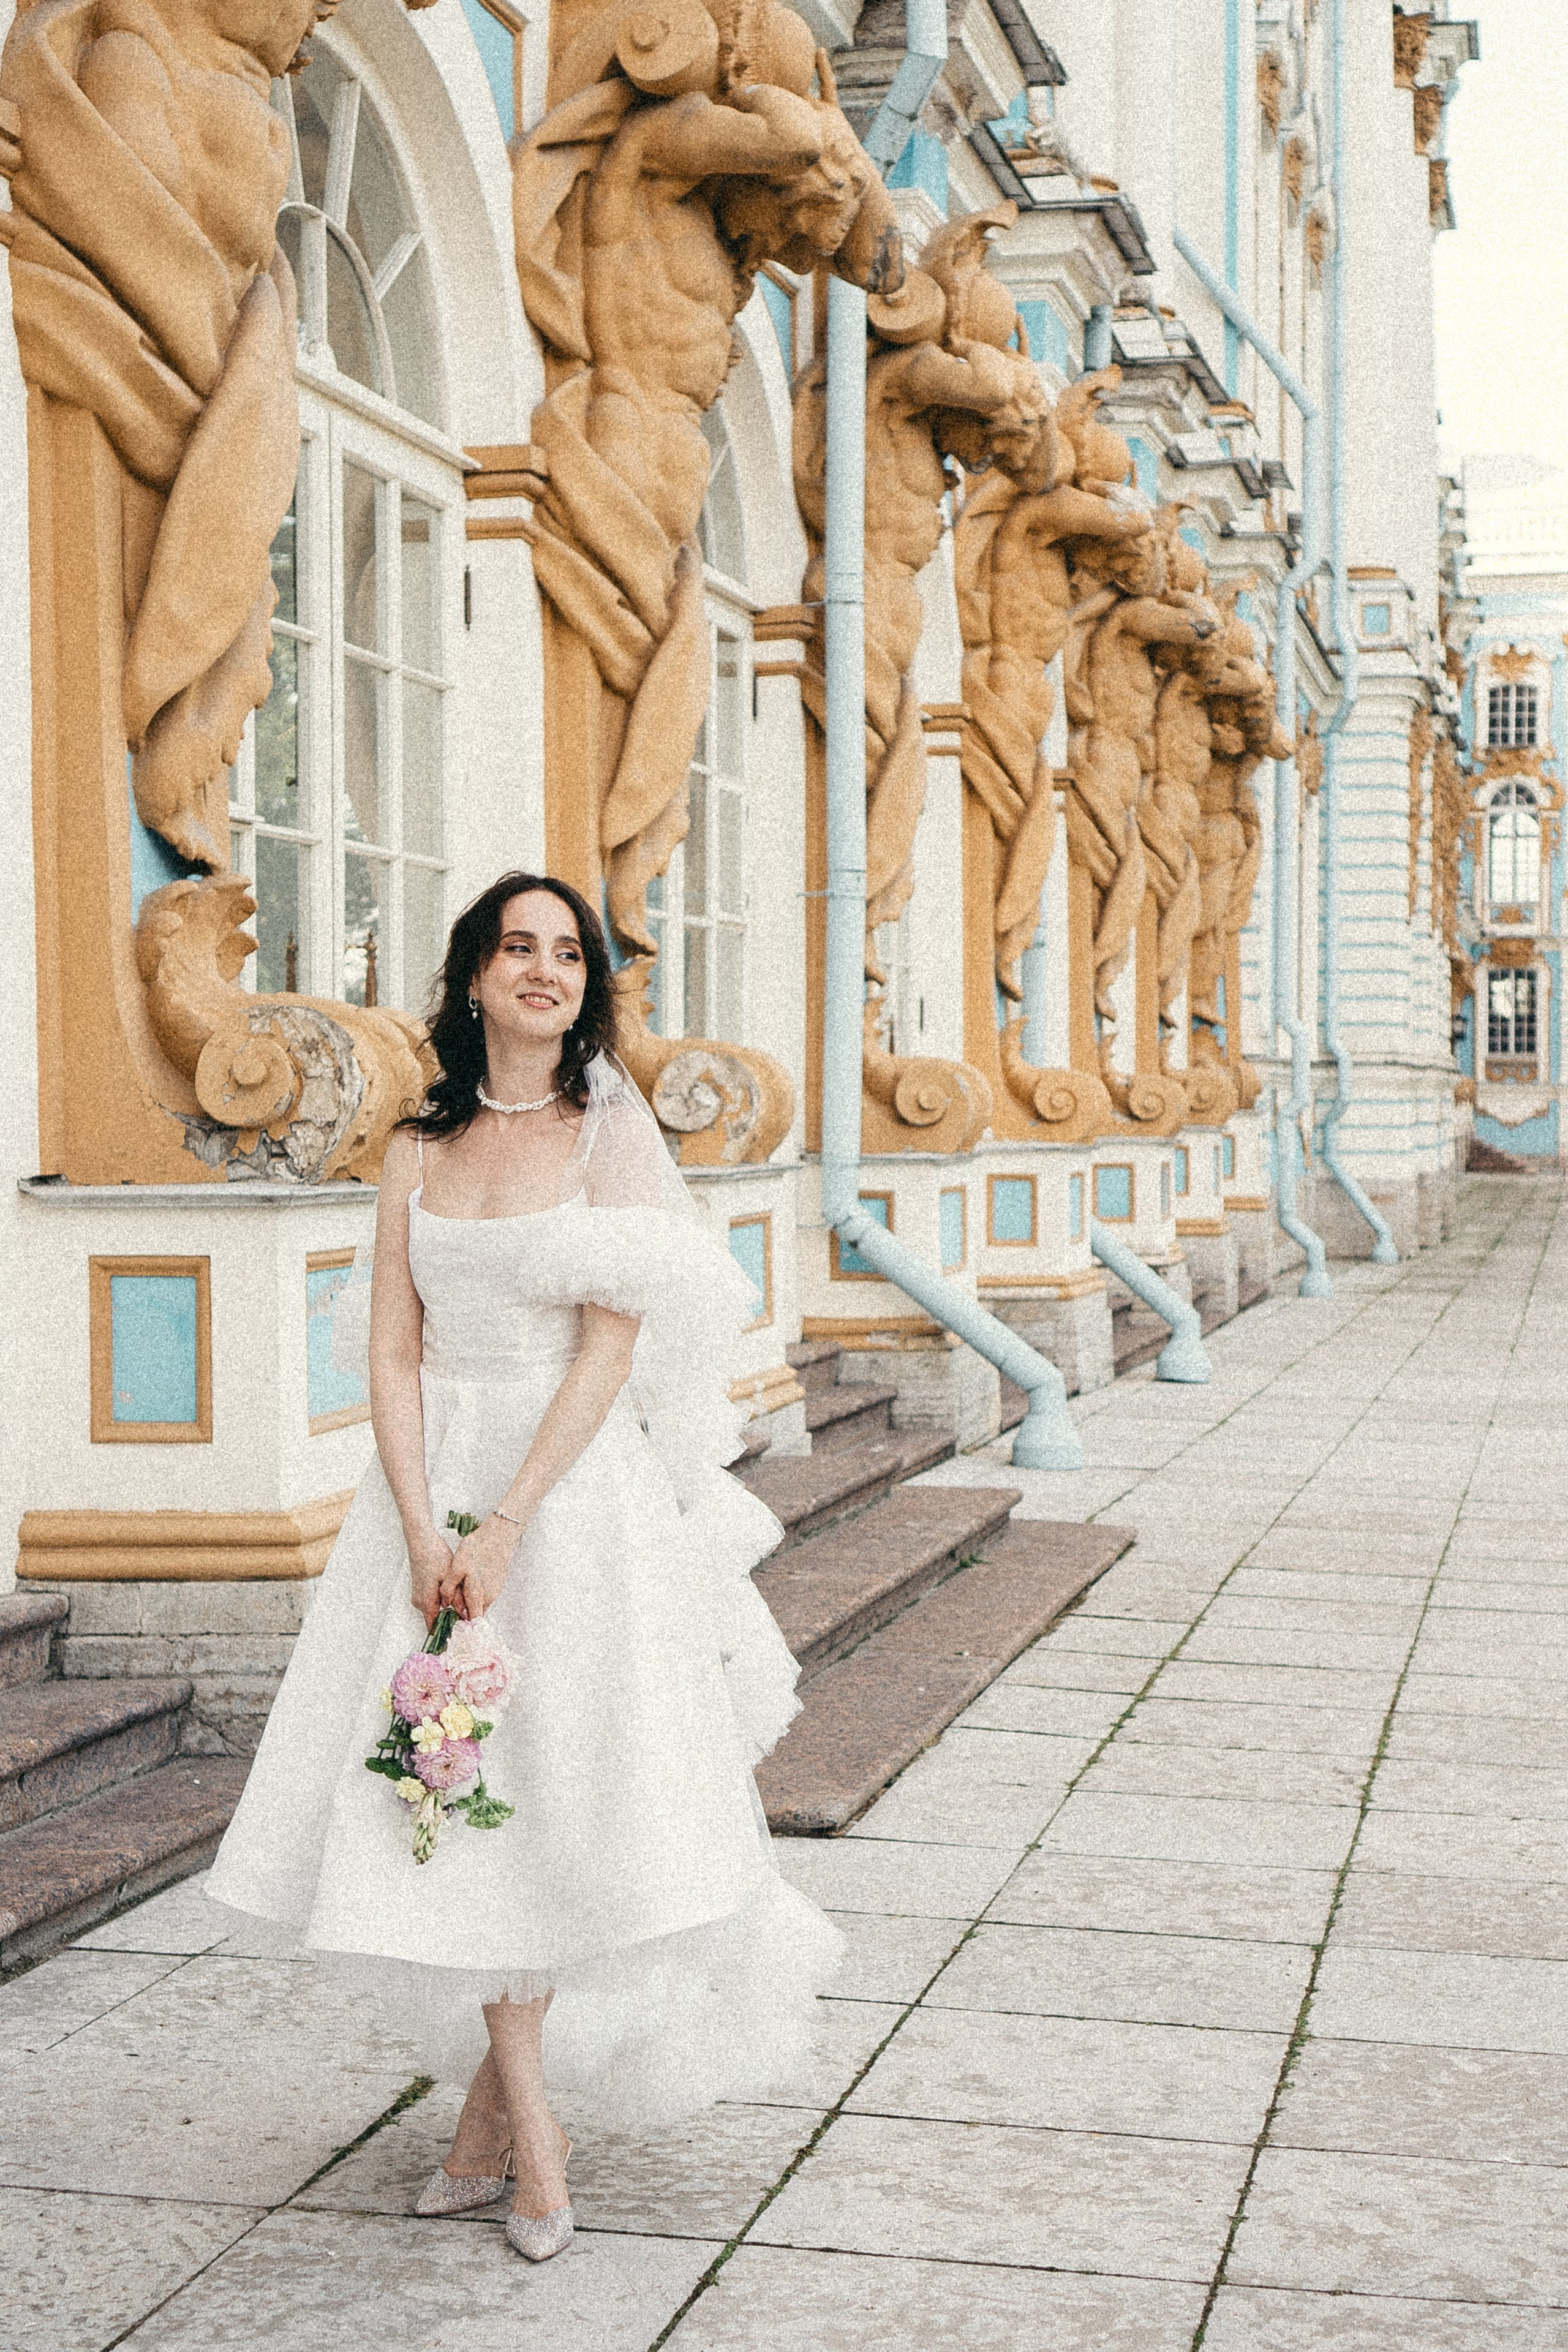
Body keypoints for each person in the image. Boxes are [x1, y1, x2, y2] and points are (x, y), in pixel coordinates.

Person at [206, 872, 837, 2264]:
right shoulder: (416, 1150)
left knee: (551, 1794)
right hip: (425, 1498)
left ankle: (523, 2142)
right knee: (458, 1784)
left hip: (571, 1503)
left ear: (582, 987)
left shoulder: (604, 1137)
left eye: (567, 954)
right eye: (519, 949)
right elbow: (387, 1348)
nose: (545, 971)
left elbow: (608, 1350)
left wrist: (503, 1527)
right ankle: (501, 2129)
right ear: (475, 978)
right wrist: (429, 1523)